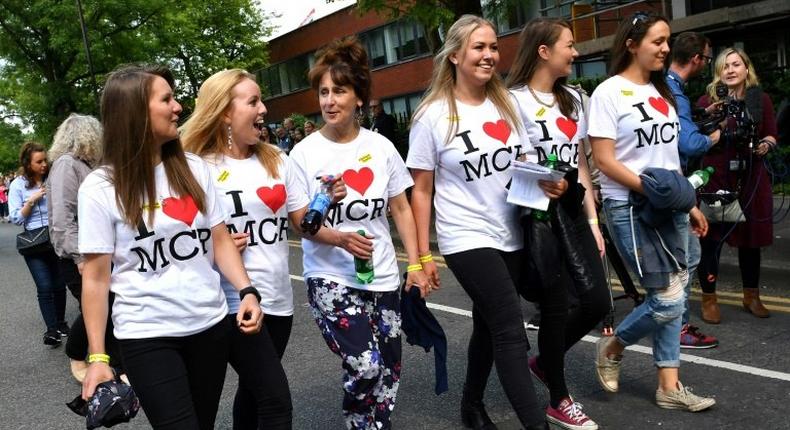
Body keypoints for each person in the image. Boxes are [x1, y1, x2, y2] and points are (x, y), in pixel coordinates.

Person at [78, 64, 263, 430]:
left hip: (209, 328)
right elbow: (97, 280)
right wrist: (98, 356)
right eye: (167, 99)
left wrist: (247, 290)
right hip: (147, 337)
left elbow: (220, 240)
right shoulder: (100, 188)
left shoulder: (193, 168)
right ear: (134, 112)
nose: (178, 107)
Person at [407, 15, 562, 430]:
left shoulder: (507, 104)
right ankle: (536, 424)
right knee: (510, 327)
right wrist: (421, 257)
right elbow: (421, 190)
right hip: (464, 236)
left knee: (487, 325)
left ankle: (471, 405)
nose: (489, 55)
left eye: (493, 47)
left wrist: (547, 184)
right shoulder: (433, 116)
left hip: (510, 229)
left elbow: (525, 164)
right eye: (479, 47)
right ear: (455, 55)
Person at [289, 36, 430, 430]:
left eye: (339, 91)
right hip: (331, 276)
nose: (329, 101)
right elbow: (299, 220)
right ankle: (357, 421)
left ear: (359, 97)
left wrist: (417, 263)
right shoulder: (304, 154)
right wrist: (337, 236)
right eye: (323, 92)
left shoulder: (382, 147)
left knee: (390, 366)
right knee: (365, 365)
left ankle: (374, 426)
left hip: (382, 273)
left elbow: (400, 208)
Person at [589, 12, 715, 412]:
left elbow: (668, 156)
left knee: (676, 288)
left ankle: (669, 386)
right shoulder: (609, 92)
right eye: (657, 41)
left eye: (667, 40)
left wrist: (687, 203)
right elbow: (605, 161)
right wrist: (654, 190)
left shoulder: (662, 91)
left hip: (668, 203)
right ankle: (613, 344)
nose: (665, 48)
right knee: (667, 299)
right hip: (629, 205)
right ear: (631, 43)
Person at [507, 17, 610, 429]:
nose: (576, 51)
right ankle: (558, 398)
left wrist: (594, 221)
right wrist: (537, 176)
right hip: (535, 214)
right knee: (553, 307)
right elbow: (509, 163)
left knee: (597, 302)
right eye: (569, 44)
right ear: (544, 51)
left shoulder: (573, 99)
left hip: (572, 210)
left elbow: (582, 164)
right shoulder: (511, 101)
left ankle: (544, 361)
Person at [181, 69, 296, 429]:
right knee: (276, 402)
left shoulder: (276, 158)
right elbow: (175, 237)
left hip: (279, 298)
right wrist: (215, 243)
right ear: (225, 112)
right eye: (253, 101)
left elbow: (300, 217)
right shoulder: (196, 167)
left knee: (254, 394)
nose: (263, 108)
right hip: (234, 302)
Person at [696, 47, 778, 320]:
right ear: (718, 73)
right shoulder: (707, 100)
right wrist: (711, 121)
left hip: (751, 176)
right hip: (717, 175)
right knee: (712, 240)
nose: (730, 70)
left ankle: (751, 296)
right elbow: (694, 138)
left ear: (746, 69)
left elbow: (772, 134)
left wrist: (766, 144)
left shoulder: (759, 99)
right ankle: (709, 300)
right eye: (724, 66)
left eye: (736, 64)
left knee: (751, 240)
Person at [46, 113, 124, 382]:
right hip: (78, 254)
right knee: (98, 304)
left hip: (97, 250)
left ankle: (108, 360)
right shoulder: (67, 165)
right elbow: (61, 218)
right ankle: (84, 353)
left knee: (108, 303)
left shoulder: (86, 165)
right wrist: (79, 256)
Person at [665, 32, 721, 347]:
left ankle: (675, 323)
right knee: (686, 256)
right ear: (697, 58)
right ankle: (676, 325)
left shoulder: (669, 87)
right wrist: (714, 137)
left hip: (672, 186)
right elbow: (686, 142)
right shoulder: (674, 90)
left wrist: (700, 119)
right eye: (707, 58)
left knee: (686, 256)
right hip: (675, 185)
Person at [9, 141, 68, 346]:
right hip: (34, 242)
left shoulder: (52, 179)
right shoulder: (18, 185)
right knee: (44, 286)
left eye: (45, 160)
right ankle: (51, 331)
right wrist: (32, 200)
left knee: (60, 285)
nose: (44, 165)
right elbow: (16, 218)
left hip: (55, 237)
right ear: (28, 163)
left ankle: (60, 323)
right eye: (39, 161)